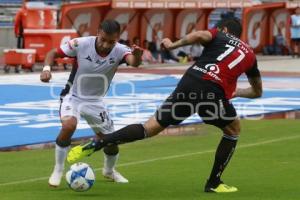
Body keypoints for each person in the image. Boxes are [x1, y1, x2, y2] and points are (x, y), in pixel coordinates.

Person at [67, 18, 263, 193]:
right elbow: (256, 92)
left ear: (224, 29)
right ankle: (214, 182)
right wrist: (237, 92)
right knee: (233, 130)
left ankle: (98, 142)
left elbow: (200, 35)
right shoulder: (251, 56)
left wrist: (173, 44)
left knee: (149, 128)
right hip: (212, 91)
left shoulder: (218, 35)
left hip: (190, 81)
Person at [40, 19, 143, 187]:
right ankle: (58, 169)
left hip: (96, 102)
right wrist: (46, 70)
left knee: (111, 141)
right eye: (103, 39)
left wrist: (137, 55)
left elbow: (134, 62)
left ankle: (109, 171)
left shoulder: (120, 50)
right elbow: (52, 53)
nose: (106, 45)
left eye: (111, 41)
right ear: (98, 32)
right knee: (68, 126)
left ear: (117, 38)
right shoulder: (80, 44)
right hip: (73, 96)